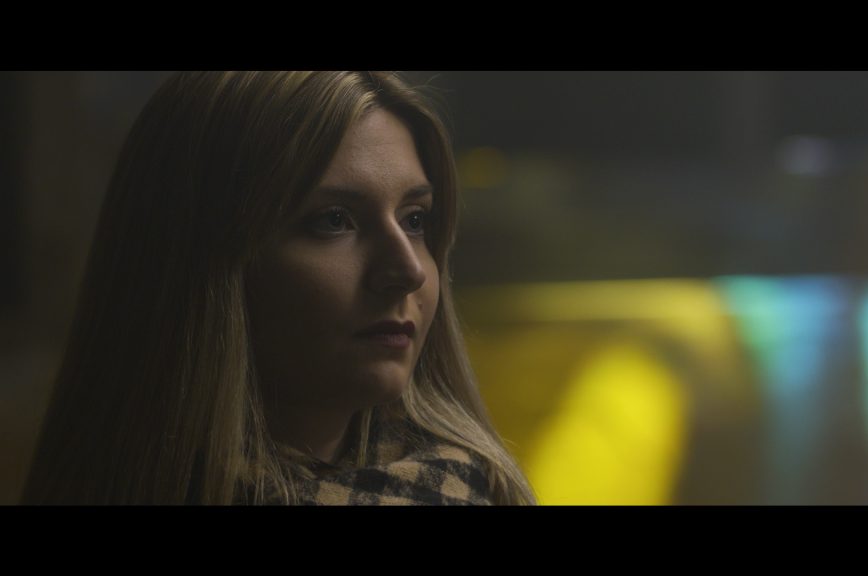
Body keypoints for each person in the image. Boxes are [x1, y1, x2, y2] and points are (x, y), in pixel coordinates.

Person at [20, 71, 536, 505]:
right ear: (204, 260)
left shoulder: (470, 489)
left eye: (415, 219)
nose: (408, 270)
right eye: (334, 220)